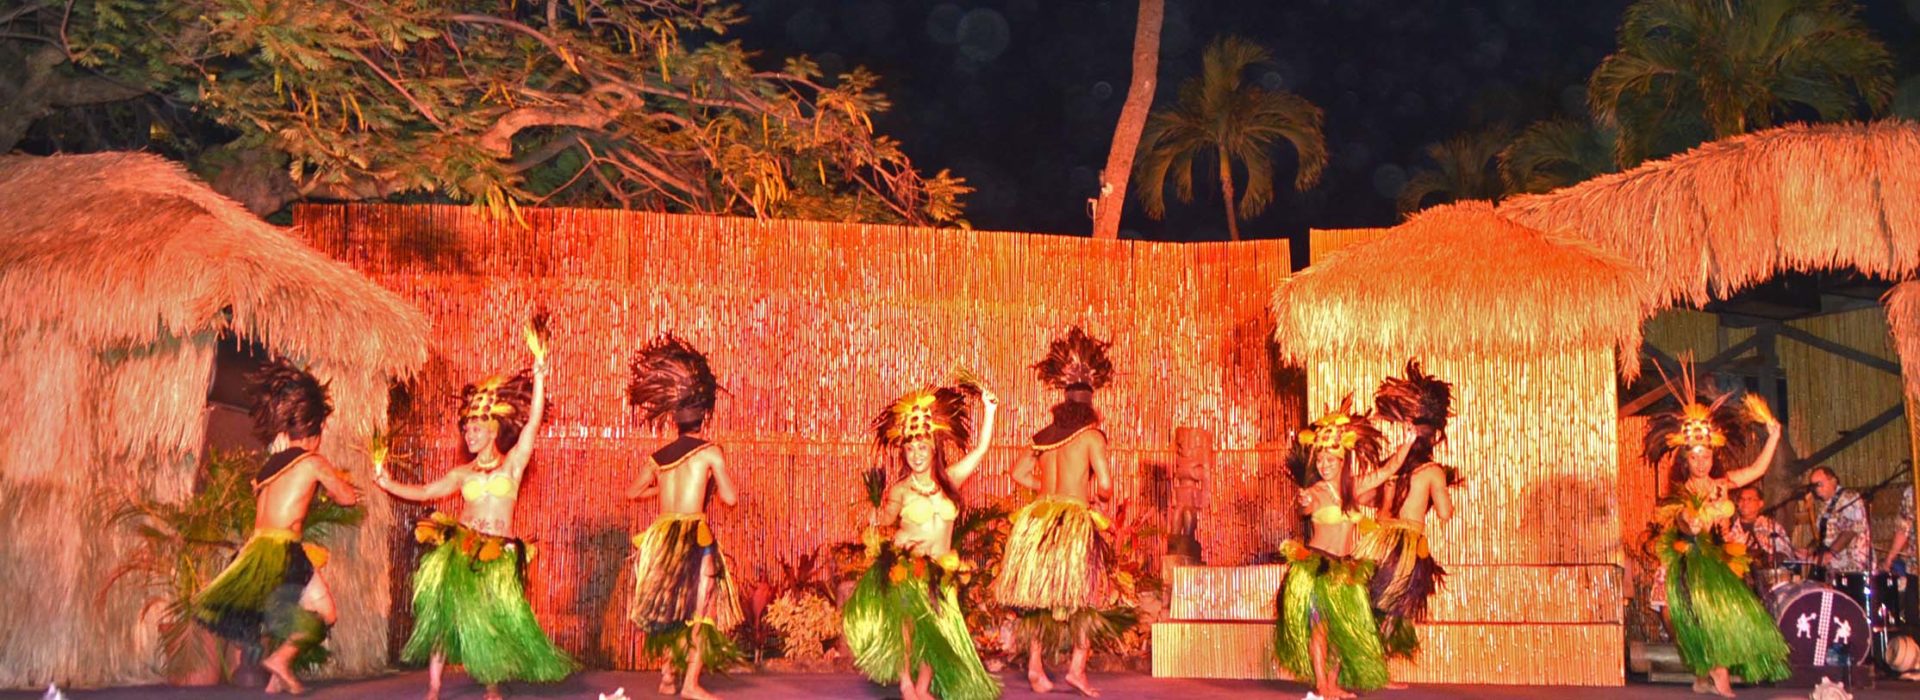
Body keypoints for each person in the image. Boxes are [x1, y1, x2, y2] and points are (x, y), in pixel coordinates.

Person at [373, 325, 574, 700]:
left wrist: (541, 376)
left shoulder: (512, 466)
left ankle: (492, 684)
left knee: (494, 616)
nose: (469, 434)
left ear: (494, 429)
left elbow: (532, 425)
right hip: (461, 548)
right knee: (443, 617)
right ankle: (433, 687)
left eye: (476, 427)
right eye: (466, 428)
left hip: (498, 551)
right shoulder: (461, 473)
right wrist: (386, 483)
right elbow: (426, 491)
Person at [194, 360, 360, 695]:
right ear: (316, 429)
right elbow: (348, 500)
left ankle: (273, 683)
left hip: (255, 550)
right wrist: (335, 485)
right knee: (326, 612)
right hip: (283, 550)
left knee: (287, 614)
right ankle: (281, 660)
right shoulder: (313, 461)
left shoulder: (269, 467)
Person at [842, 378, 1001, 700]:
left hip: (941, 572)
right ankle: (906, 684)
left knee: (938, 630)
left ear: (934, 449)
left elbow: (982, 450)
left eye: (922, 448)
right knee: (908, 629)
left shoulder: (950, 480)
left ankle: (925, 686)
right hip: (906, 569)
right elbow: (885, 522)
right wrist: (874, 520)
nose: (916, 454)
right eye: (910, 449)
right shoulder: (900, 490)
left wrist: (989, 410)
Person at [1645, 365, 1787, 698]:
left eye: (1706, 456)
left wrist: (1774, 437)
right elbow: (1681, 524)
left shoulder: (1723, 484)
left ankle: (1718, 675)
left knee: (1716, 615)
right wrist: (1694, 520)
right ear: (1685, 460)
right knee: (1679, 620)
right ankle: (1703, 670)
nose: (1701, 462)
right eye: (1694, 457)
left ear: (1712, 456)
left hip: (1716, 562)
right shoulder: (1677, 495)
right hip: (1685, 562)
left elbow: (1755, 470)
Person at [999, 327, 1122, 696]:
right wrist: (1093, 497)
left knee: (1040, 596)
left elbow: (1017, 472)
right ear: (1090, 404)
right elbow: (1105, 485)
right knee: (1085, 592)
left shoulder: (1044, 435)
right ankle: (1076, 669)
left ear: (1063, 402)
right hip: (1071, 521)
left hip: (1037, 522)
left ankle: (1036, 670)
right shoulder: (1091, 436)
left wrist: (1044, 490)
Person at [624, 335, 742, 700]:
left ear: (674, 417)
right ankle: (690, 684)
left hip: (661, 535)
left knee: (671, 603)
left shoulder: (659, 457)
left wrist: (661, 490)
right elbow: (731, 498)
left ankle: (667, 674)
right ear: (704, 413)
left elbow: (631, 493)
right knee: (699, 606)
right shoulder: (710, 452)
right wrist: (709, 483)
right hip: (692, 533)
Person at [1275, 398, 1400, 700]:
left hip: (1347, 568)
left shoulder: (1352, 488)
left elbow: (1387, 470)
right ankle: (1321, 685)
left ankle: (1333, 684)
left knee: (1346, 627)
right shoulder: (1316, 491)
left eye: (1330, 460)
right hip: (1319, 567)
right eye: (1320, 460)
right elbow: (1306, 506)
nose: (1324, 465)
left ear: (1343, 461)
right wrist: (1304, 501)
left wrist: (1408, 443)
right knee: (1320, 629)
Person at [1358, 360, 1459, 661]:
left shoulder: (1395, 469)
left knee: (1376, 602)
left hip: (1379, 541)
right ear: (1433, 436)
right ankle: (1376, 664)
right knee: (1396, 607)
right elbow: (1445, 513)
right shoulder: (1431, 471)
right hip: (1408, 546)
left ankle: (1368, 662)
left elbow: (1368, 501)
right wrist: (1442, 492)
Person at [1803, 466, 1870, 575]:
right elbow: (1823, 538)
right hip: (1835, 569)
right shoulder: (1824, 506)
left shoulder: (1849, 498)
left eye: (1820, 484)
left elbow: (1851, 530)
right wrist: (1809, 551)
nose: (1817, 489)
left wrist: (1829, 554)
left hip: (1854, 568)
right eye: (1814, 486)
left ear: (1833, 481)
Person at [1726, 486, 1792, 573]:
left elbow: (1787, 553)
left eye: (1750, 499)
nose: (1745, 502)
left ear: (1760, 503)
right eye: (1741, 499)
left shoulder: (1771, 526)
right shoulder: (1729, 530)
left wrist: (1775, 557)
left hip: (1770, 576)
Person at [1882, 481, 1914, 574]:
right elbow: (1903, 527)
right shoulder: (1912, 492)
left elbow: (1903, 528)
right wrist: (1891, 556)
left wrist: (1891, 556)